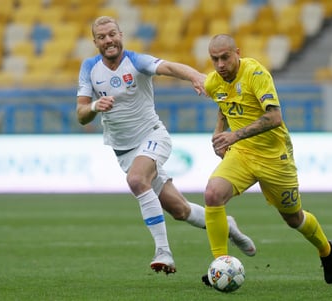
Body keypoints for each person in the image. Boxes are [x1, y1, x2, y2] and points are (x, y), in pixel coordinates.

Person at [75, 17, 256, 275]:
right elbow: (81, 114)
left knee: (137, 180)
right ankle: (228, 225)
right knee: (179, 210)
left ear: (121, 34)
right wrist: (95, 106)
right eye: (102, 37)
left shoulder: (136, 61)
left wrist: (196, 76)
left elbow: (168, 67)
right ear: (95, 42)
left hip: (153, 136)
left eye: (112, 34)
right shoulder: (89, 68)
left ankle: (164, 252)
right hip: (124, 151)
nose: (108, 40)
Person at [201, 34, 332, 285]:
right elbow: (222, 103)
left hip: (275, 157)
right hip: (242, 154)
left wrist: (234, 134)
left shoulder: (256, 74)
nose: (220, 64)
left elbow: (275, 117)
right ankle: (220, 265)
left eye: (225, 57)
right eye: (214, 59)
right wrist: (219, 130)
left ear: (237, 53)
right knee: (212, 194)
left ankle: (327, 250)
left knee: (294, 218)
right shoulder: (214, 82)